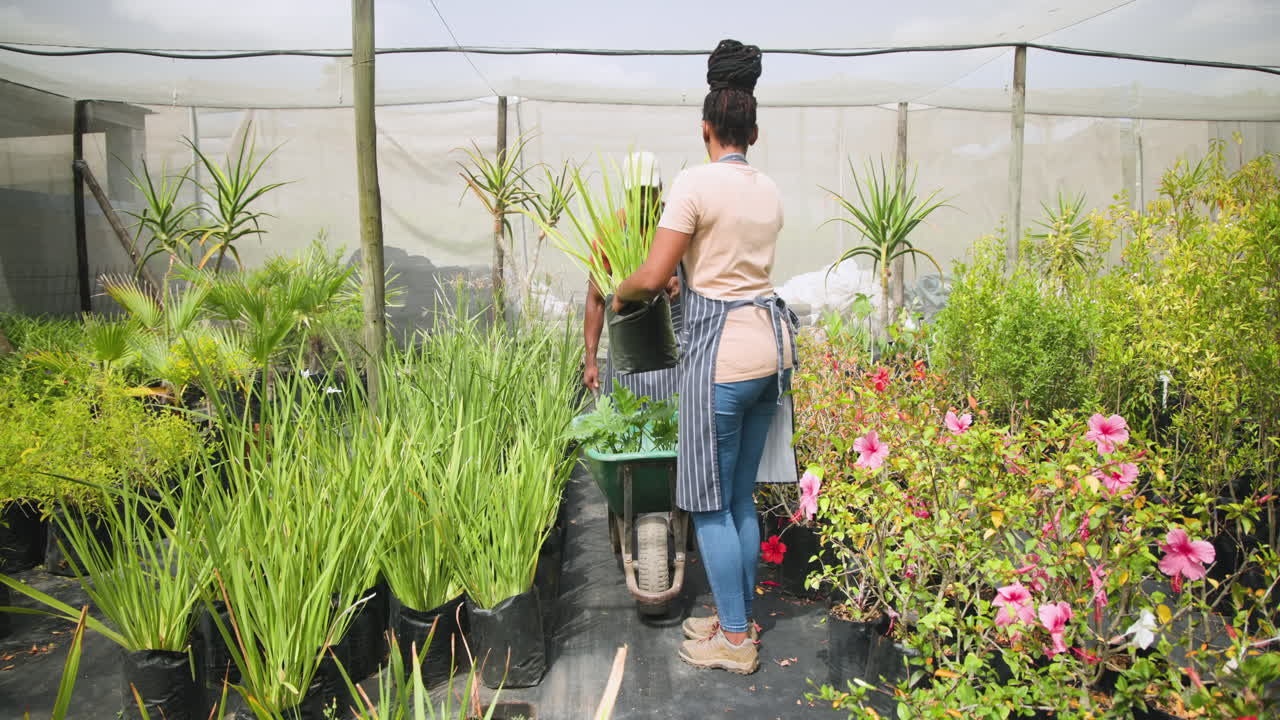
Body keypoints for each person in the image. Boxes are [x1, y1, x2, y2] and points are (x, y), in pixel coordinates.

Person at [612, 39, 797, 675]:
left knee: (710, 505)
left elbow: (655, 271)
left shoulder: (694, 182)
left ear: (705, 129)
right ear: (754, 130)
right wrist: (683, 276)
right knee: (740, 497)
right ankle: (732, 615)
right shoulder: (768, 189)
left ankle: (738, 640)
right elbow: (726, 266)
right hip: (769, 356)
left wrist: (625, 290)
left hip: (718, 361)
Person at [583, 151, 682, 401]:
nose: (644, 199)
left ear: (661, 188)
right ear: (626, 193)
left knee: (674, 426)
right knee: (627, 426)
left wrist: (684, 283)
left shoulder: (678, 223)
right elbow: (595, 299)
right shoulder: (612, 231)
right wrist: (591, 359)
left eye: (650, 191)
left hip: (675, 349)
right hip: (628, 352)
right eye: (636, 192)